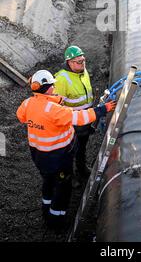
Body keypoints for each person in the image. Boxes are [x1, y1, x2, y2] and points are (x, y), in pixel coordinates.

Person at [16, 70, 116, 230]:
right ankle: (56, 221)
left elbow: (21, 116)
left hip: (39, 156)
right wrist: (103, 109)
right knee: (62, 188)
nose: (54, 87)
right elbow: (80, 118)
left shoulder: (27, 103)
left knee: (48, 183)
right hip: (58, 157)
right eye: (52, 85)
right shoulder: (54, 110)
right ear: (46, 88)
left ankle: (45, 210)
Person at [53, 46, 95, 179]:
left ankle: (81, 169)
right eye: (79, 61)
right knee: (68, 152)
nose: (83, 63)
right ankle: (68, 177)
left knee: (81, 148)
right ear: (69, 62)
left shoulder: (83, 71)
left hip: (85, 120)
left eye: (83, 60)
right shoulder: (61, 79)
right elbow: (55, 107)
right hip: (71, 124)